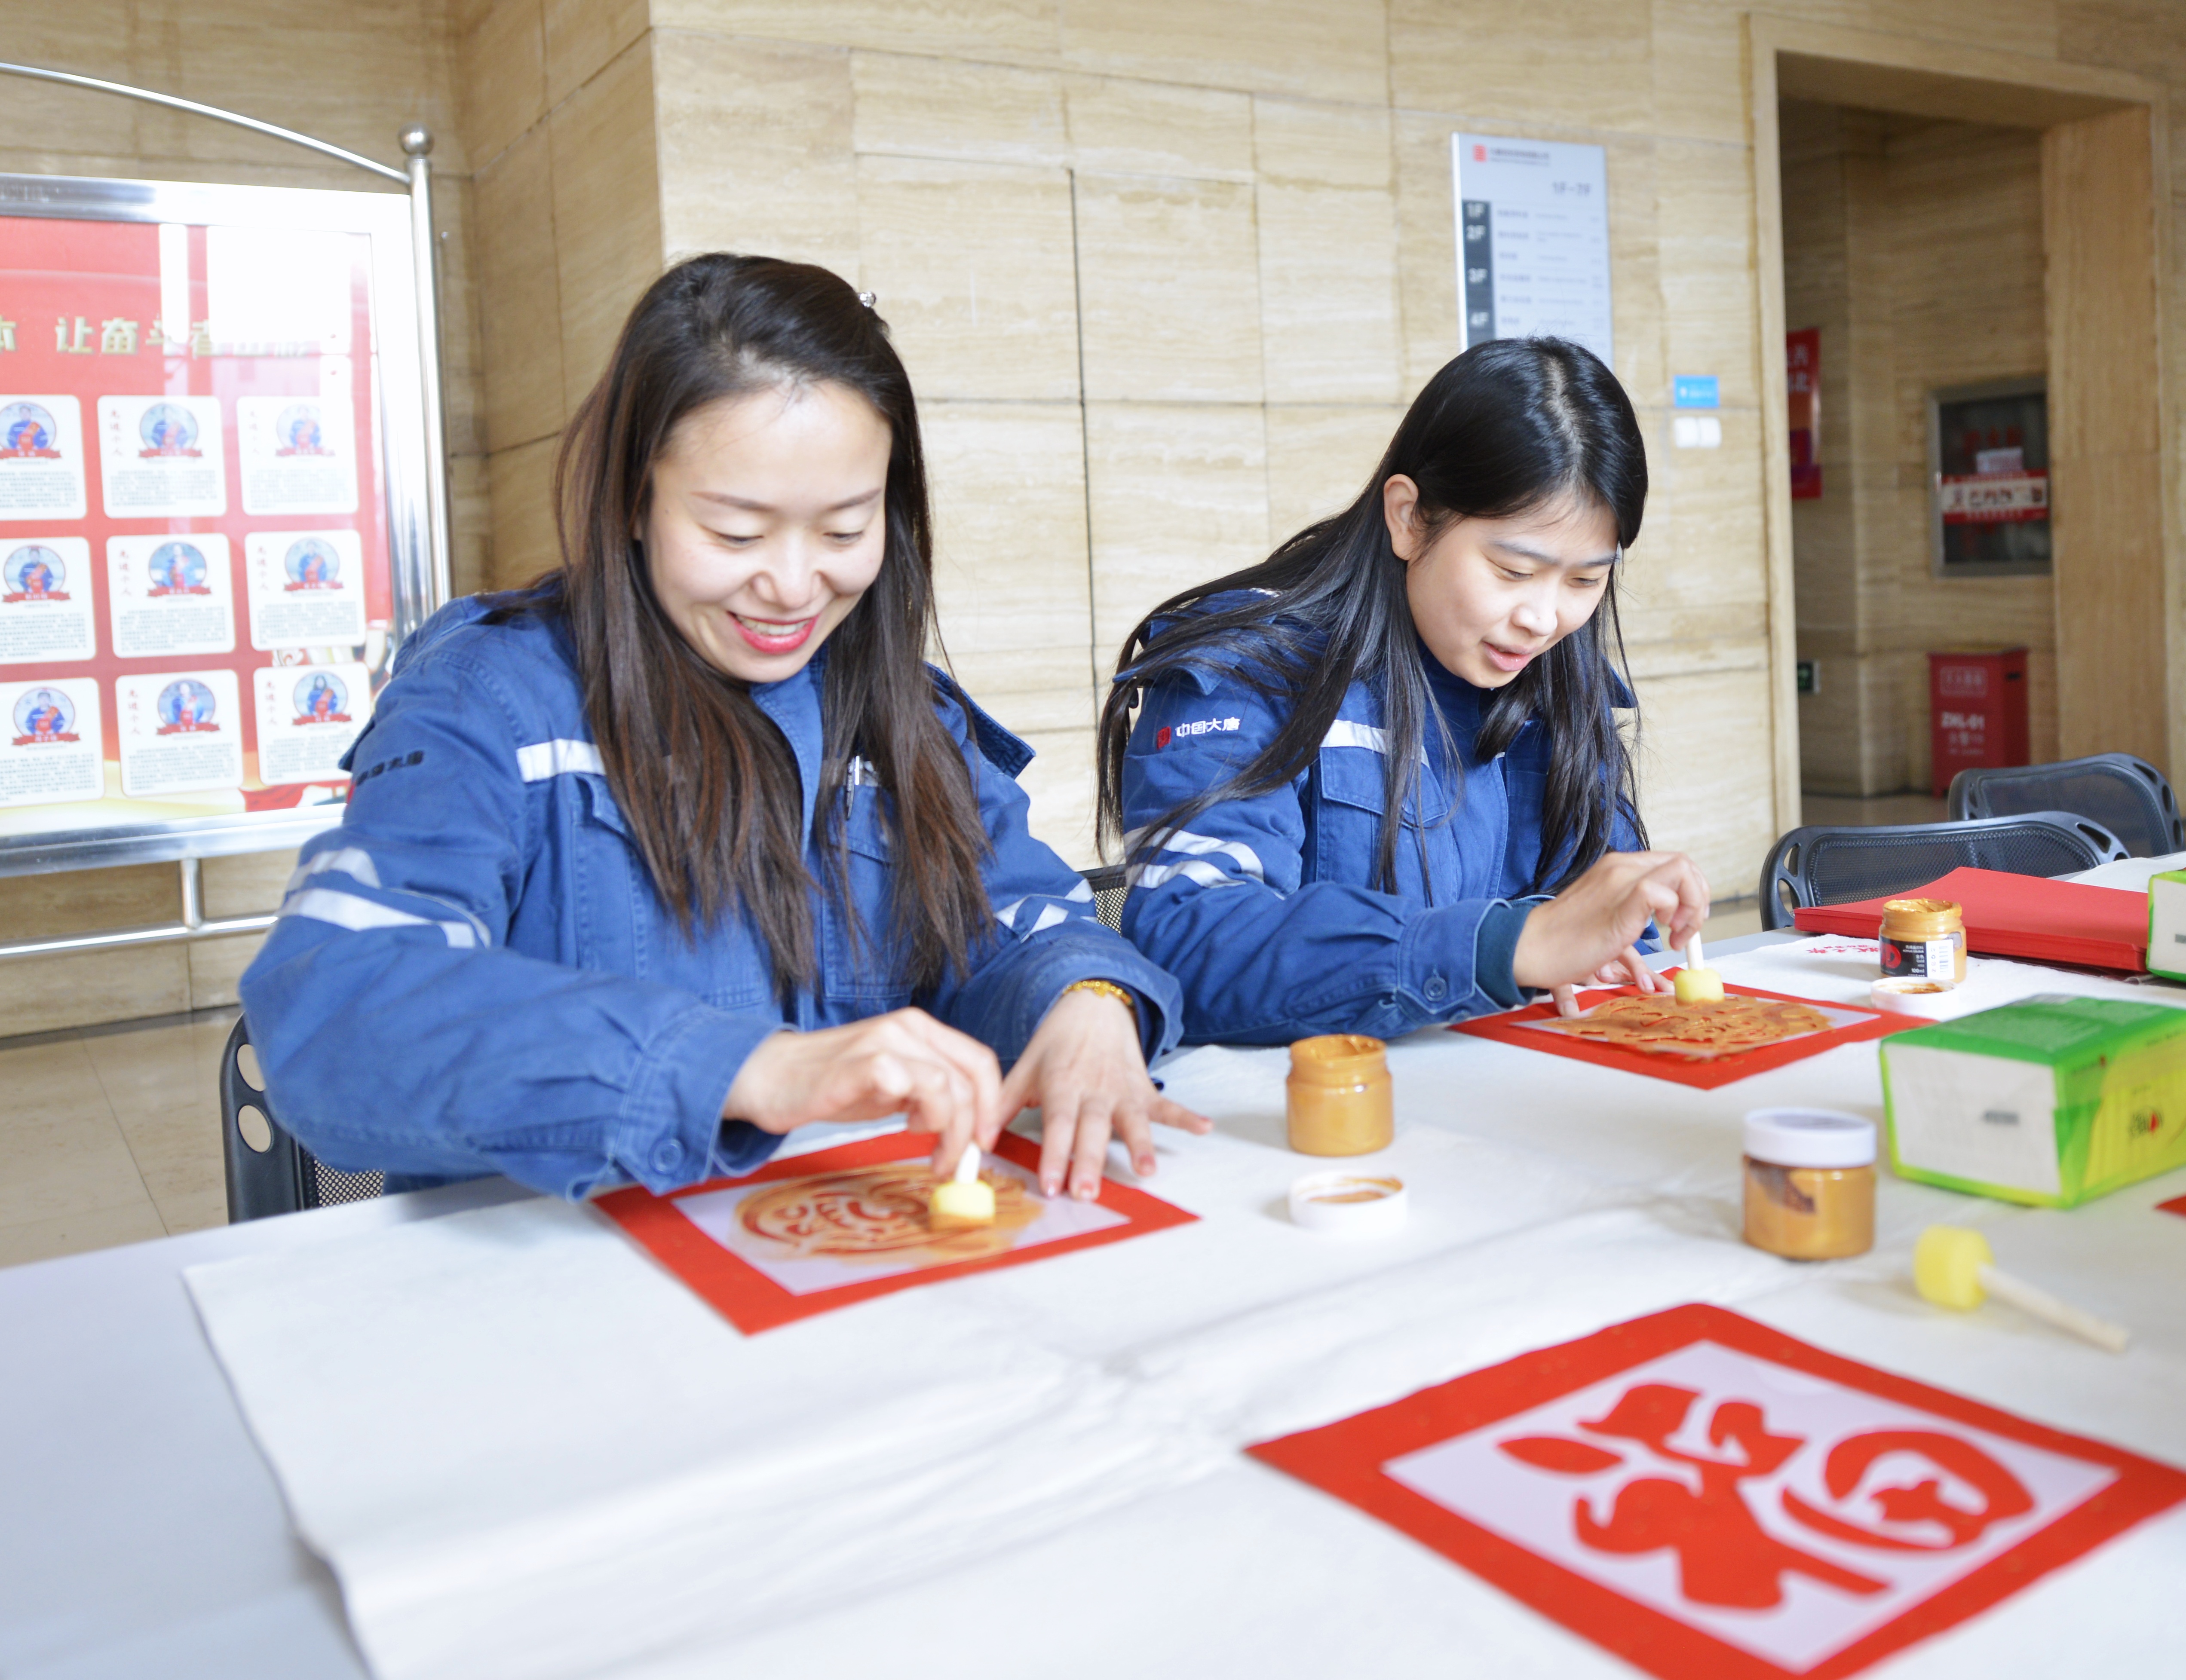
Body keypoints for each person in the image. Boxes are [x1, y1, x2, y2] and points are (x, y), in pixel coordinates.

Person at [243, 254, 1205, 1204]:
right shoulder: (486, 704)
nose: (792, 586)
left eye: (844, 530)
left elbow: (1020, 922)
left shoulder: (907, 716)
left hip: (850, 1244)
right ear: (633, 499)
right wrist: (746, 1069)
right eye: (736, 534)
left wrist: (1086, 1001)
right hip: (571, 1275)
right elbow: (341, 1010)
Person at [1096, 337, 1710, 1047]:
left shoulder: (1558, 683)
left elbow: (1608, 925)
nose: (1544, 619)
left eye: (1584, 580)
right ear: (1409, 517)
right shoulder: (1249, 672)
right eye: (1513, 572)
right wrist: (1507, 945)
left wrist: (1613, 932)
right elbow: (1193, 939)